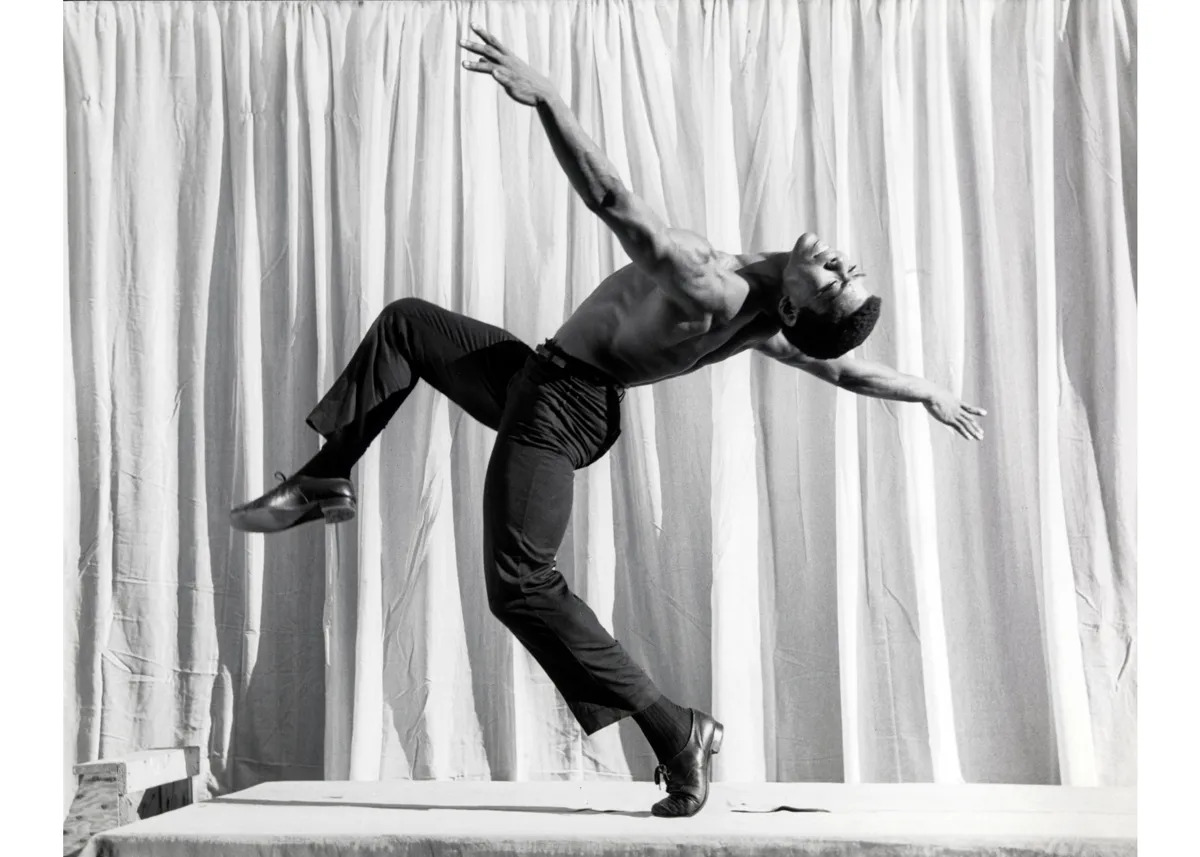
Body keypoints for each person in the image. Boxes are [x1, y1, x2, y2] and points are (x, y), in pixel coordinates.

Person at [231, 26, 986, 818]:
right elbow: (843, 368)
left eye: (835, 278)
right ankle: (325, 476)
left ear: (800, 303)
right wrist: (924, 388)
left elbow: (615, 201)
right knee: (407, 326)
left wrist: (549, 98)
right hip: (542, 380)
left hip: (563, 404)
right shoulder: (767, 318)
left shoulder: (711, 284)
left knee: (520, 585)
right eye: (848, 268)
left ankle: (674, 730)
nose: (838, 259)